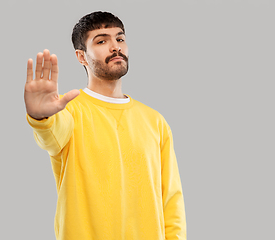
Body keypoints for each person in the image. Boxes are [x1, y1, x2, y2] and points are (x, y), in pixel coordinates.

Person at [24, 11, 186, 240]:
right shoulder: (67, 110)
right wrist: (40, 118)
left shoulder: (155, 121)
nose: (115, 47)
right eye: (101, 41)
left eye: (120, 39)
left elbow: (171, 199)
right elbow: (51, 136)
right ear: (81, 57)